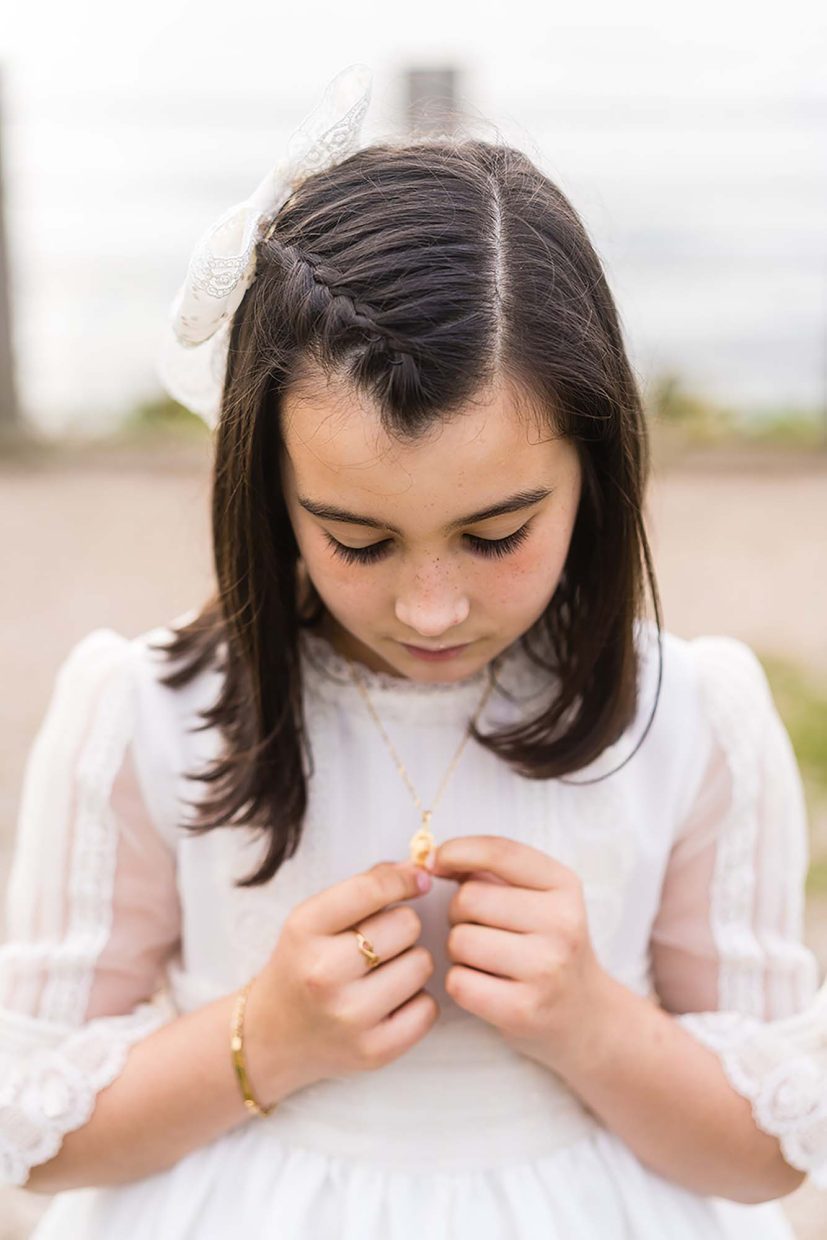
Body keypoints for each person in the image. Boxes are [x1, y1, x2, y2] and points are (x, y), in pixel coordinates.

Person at [2, 63, 826, 1239]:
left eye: (495, 534)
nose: (431, 607)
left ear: (596, 471)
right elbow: (38, 1129)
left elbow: (762, 1159)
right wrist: (267, 1036)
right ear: (269, 494)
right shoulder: (147, 710)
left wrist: (588, 1020)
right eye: (358, 539)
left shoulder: (691, 720)